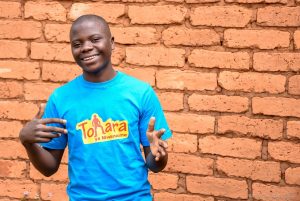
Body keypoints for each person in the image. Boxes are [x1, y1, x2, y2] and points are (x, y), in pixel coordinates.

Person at [19, 14, 172, 201]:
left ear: (112, 43)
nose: (86, 48)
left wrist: (159, 156)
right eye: (77, 44)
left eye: (95, 39)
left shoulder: (141, 93)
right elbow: (49, 168)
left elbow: (155, 165)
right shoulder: (61, 98)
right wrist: (28, 143)